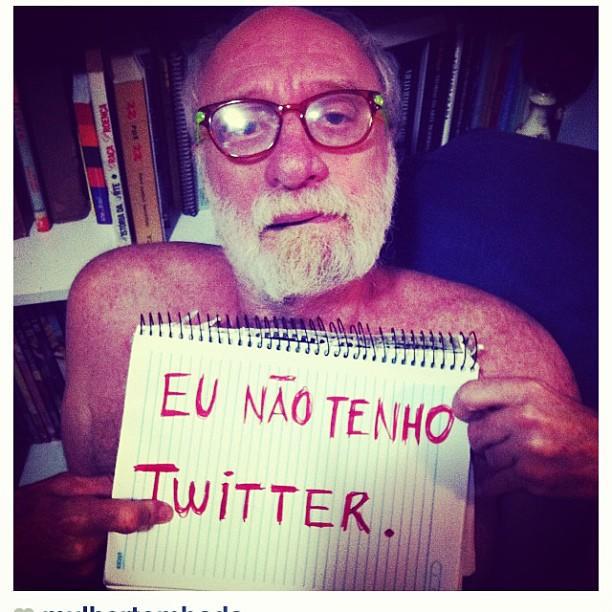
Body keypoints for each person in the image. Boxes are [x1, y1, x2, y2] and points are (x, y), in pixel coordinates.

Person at [14, 6, 597, 590]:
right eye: (243, 125)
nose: (293, 166)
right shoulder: (115, 308)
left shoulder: (512, 361)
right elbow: (92, 537)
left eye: (337, 115)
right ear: (203, 161)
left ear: (387, 146)